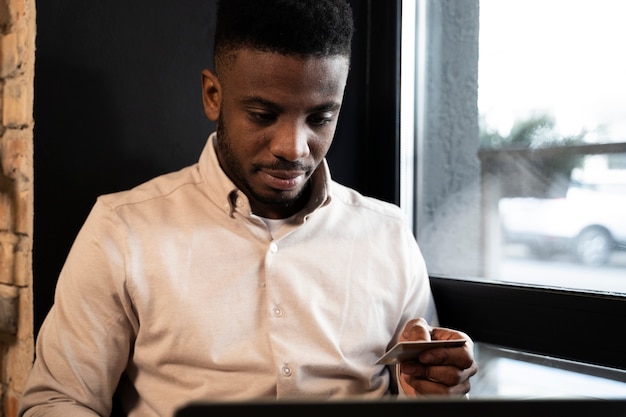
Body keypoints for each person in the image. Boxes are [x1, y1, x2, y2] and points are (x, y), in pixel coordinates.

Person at [19, 1, 478, 416]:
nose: (293, 148)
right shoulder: (121, 230)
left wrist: (437, 389)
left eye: (320, 118)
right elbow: (57, 401)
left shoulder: (389, 235)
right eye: (263, 115)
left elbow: (425, 391)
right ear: (213, 96)